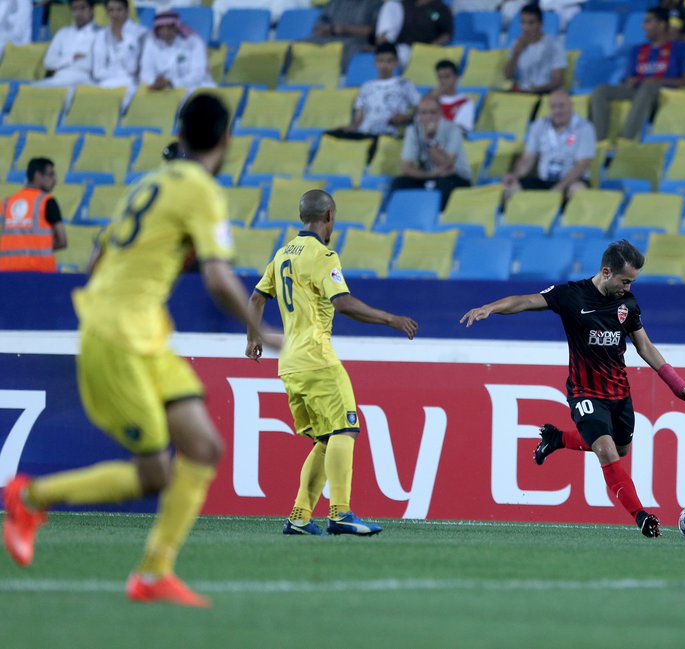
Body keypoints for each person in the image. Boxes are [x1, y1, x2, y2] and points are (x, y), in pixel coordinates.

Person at [1, 94, 282, 608]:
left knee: (204, 448)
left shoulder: (147, 183)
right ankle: (30, 498)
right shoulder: (202, 190)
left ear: (179, 134)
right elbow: (218, 278)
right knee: (156, 473)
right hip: (119, 337)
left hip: (144, 330)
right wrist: (259, 332)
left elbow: (98, 255)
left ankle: (154, 574)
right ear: (227, 140)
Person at [461, 241, 685, 539]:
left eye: (632, 282)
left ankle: (558, 438)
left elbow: (645, 346)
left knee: (621, 449)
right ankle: (642, 516)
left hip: (618, 393)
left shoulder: (627, 304)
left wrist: (679, 385)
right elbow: (525, 301)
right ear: (606, 272)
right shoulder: (571, 295)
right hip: (585, 393)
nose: (628, 287)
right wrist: (490, 308)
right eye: (625, 280)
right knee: (605, 450)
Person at [246, 190, 418, 538]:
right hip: (317, 358)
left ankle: (299, 516)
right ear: (330, 216)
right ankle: (341, 513)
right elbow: (344, 303)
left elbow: (256, 298)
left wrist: (254, 337)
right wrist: (390, 320)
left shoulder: (282, 254)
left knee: (325, 439)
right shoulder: (324, 255)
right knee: (346, 429)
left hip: (290, 364)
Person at [590, 8, 685, 143]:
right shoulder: (638, 50)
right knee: (600, 91)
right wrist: (630, 81)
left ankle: (625, 141)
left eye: (648, 22)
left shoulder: (680, 48)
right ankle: (599, 142)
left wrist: (658, 81)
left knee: (648, 87)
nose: (643, 26)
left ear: (661, 25)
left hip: (664, 92)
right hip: (639, 91)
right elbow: (628, 78)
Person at [502, 90, 595, 202]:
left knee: (579, 190)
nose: (557, 110)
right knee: (510, 188)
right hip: (543, 181)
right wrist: (515, 175)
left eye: (561, 106)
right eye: (553, 107)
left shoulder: (585, 128)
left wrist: (562, 186)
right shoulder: (539, 125)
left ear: (571, 106)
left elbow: (582, 164)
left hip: (571, 181)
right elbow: (528, 157)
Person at [326, 43, 421, 150]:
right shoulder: (366, 87)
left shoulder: (404, 84)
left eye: (389, 61)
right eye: (380, 61)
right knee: (329, 136)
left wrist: (406, 117)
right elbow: (358, 119)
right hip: (364, 133)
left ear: (396, 63)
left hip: (387, 134)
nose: (384, 65)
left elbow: (421, 110)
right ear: (375, 63)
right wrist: (348, 128)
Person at [393, 96, 471, 208]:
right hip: (430, 175)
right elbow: (405, 167)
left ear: (440, 114)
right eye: (423, 113)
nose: (428, 117)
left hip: (455, 177)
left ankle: (437, 219)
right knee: (399, 183)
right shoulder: (413, 130)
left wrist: (430, 140)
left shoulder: (453, 129)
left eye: (432, 113)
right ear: (418, 116)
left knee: (444, 185)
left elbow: (446, 164)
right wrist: (429, 175)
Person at [0, 158, 68, 273]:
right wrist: (40, 247)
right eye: (51, 175)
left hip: (6, 272)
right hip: (40, 272)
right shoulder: (47, 201)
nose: (55, 180)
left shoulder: (7, 203)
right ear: (38, 176)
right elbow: (62, 241)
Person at [138, 11, 214, 93]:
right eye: (162, 28)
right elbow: (146, 73)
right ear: (157, 29)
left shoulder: (194, 42)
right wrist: (155, 83)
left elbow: (198, 74)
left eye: (170, 27)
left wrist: (172, 83)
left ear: (177, 27)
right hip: (160, 89)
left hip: (193, 87)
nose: (166, 32)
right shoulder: (151, 44)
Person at [91, 0, 146, 103]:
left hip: (131, 82)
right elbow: (97, 72)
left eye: (119, 10)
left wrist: (122, 41)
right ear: (107, 13)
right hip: (105, 83)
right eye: (111, 10)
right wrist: (116, 73)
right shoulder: (101, 35)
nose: (115, 14)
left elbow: (132, 68)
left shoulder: (140, 33)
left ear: (127, 12)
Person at [505, 3, 566, 94]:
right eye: (523, 22)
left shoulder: (554, 45)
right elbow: (508, 76)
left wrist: (537, 90)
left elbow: (557, 80)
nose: (525, 28)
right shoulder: (516, 44)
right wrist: (516, 54)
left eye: (531, 23)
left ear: (540, 25)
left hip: (544, 93)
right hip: (521, 93)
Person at [36, 0, 99, 88]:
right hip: (58, 78)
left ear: (92, 10)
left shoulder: (101, 34)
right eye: (74, 9)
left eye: (82, 8)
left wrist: (61, 61)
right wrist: (71, 58)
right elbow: (48, 62)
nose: (78, 13)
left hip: (86, 81)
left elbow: (94, 65)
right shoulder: (63, 33)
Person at [309, 0, 384, 70]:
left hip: (357, 41)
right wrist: (330, 29)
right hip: (328, 38)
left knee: (352, 47)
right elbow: (319, 27)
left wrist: (344, 29)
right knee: (303, 44)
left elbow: (374, 31)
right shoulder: (335, 3)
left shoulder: (375, 3)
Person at [432, 59, 475, 133]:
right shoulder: (431, 100)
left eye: (447, 77)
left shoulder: (465, 103)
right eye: (440, 77)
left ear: (456, 78)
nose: (443, 81)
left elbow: (461, 129)